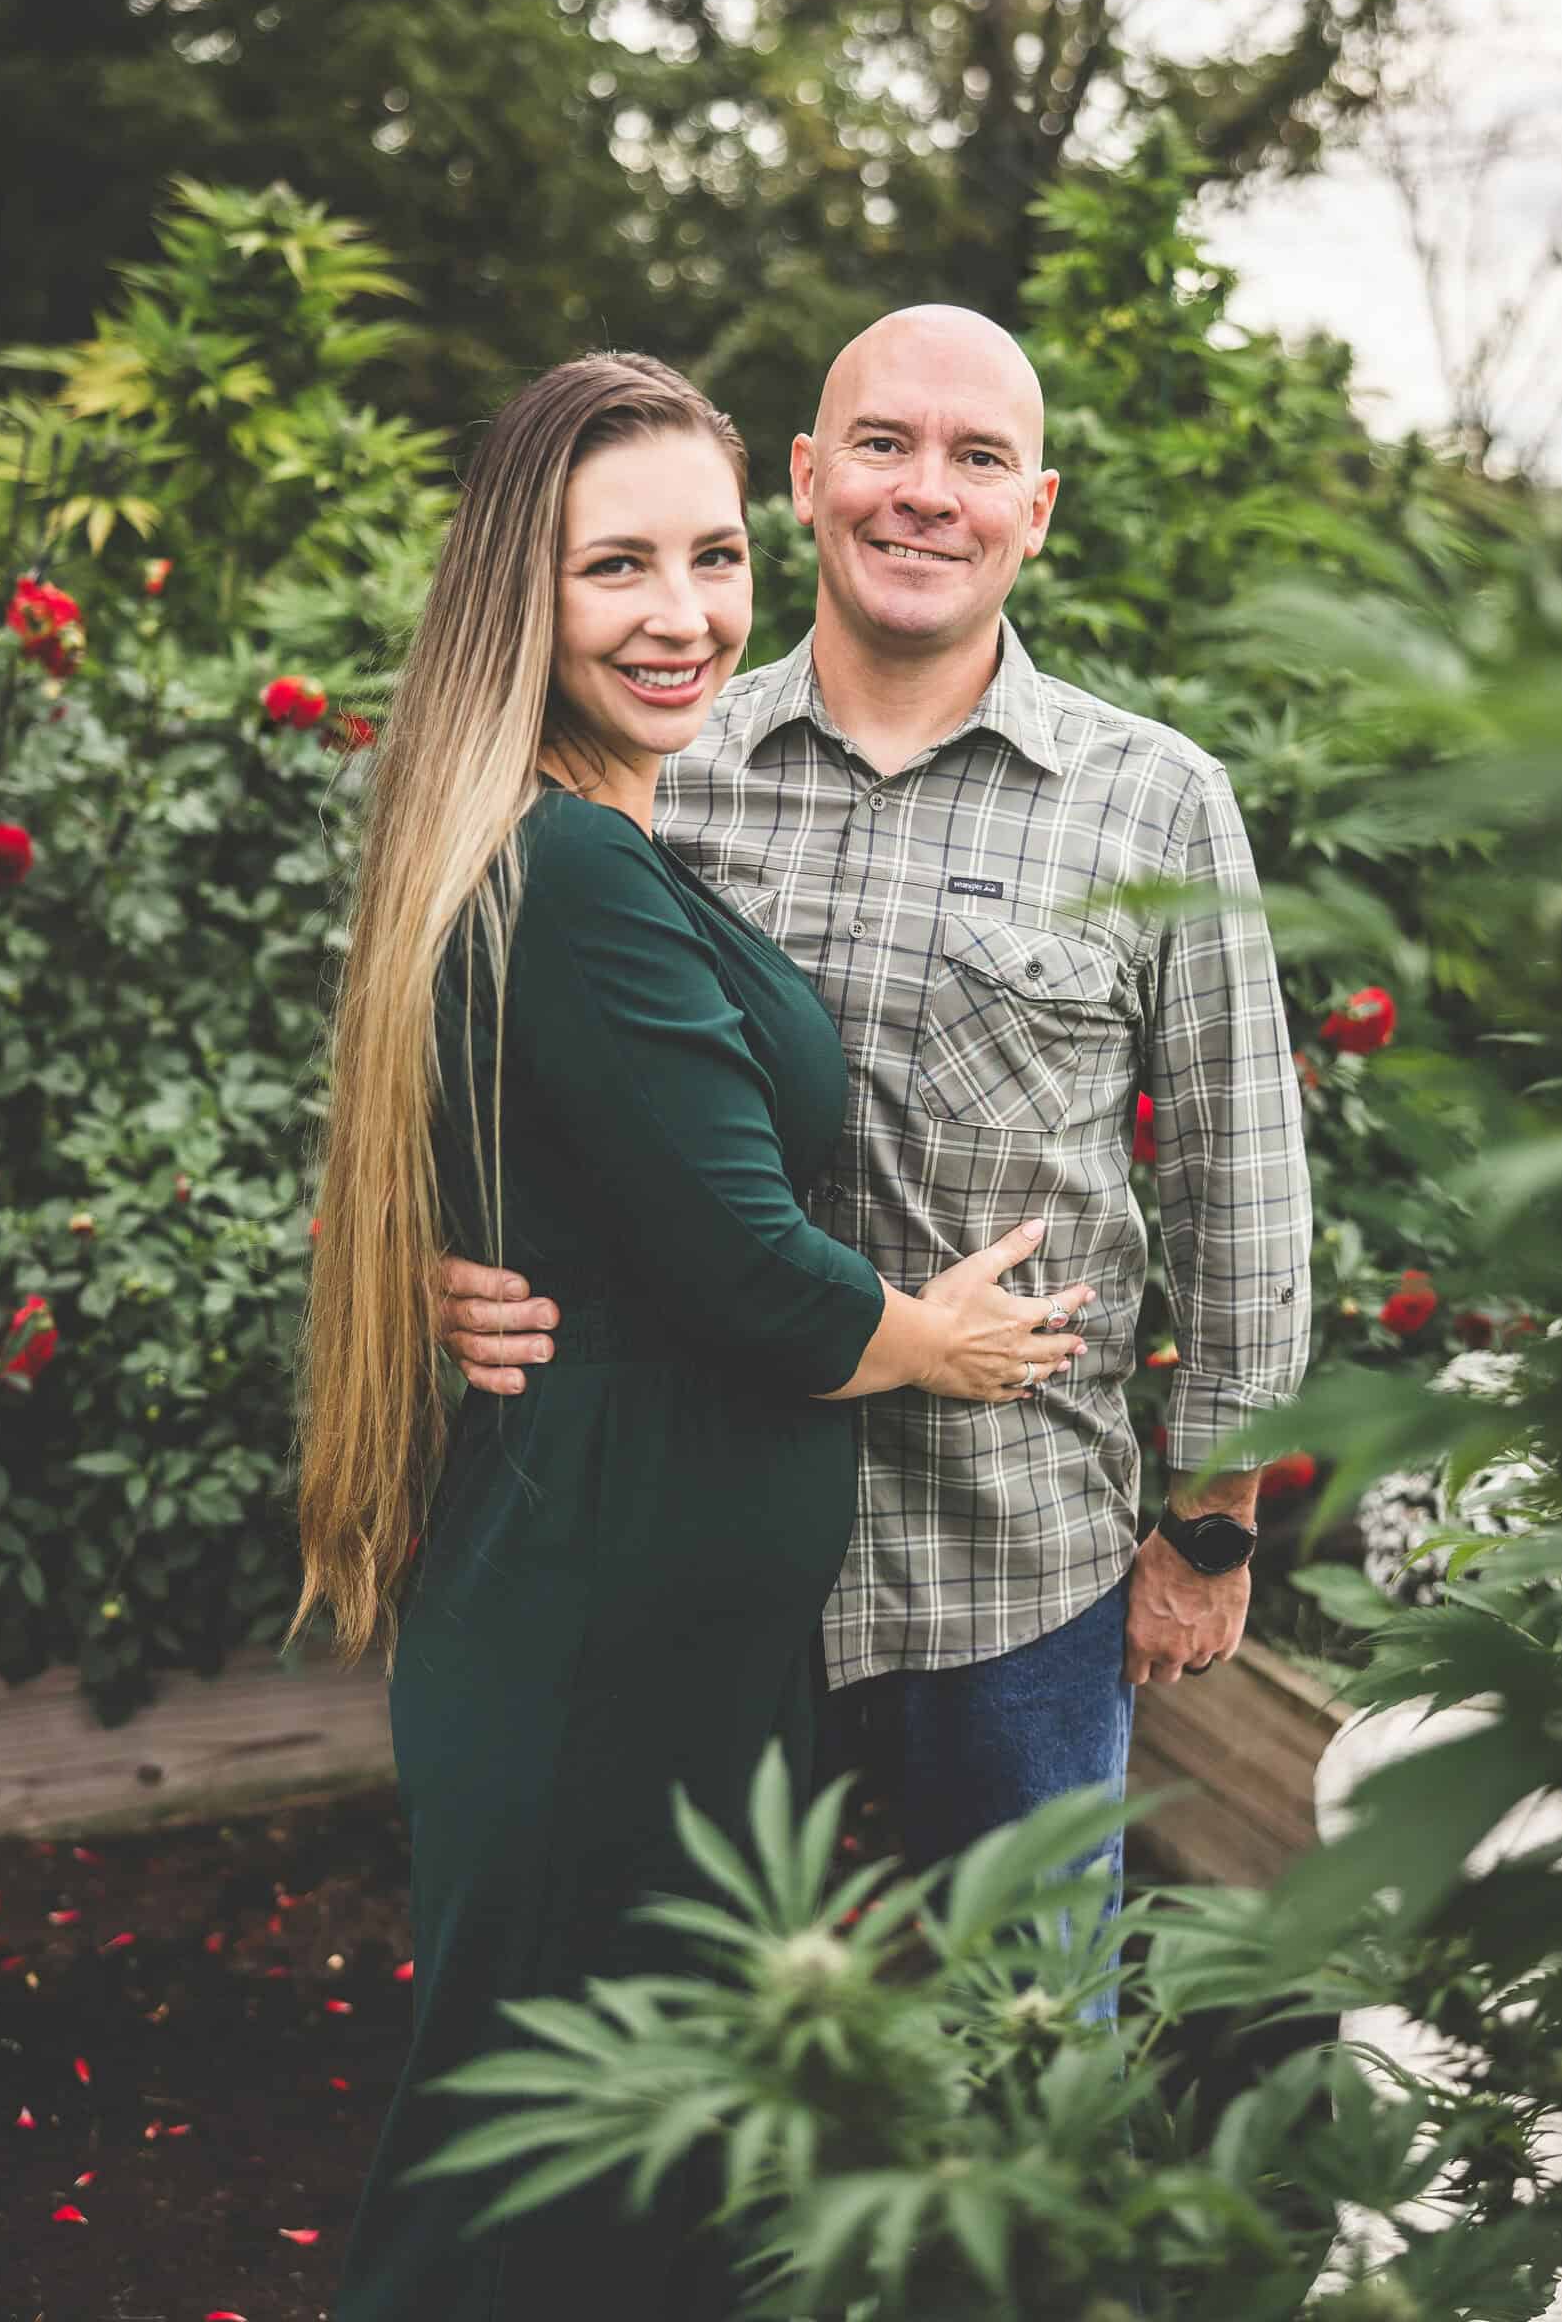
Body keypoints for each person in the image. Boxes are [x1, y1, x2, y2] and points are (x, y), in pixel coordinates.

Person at [290, 352, 1091, 2321]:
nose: (681, 614)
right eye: (612, 567)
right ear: (521, 598)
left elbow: (563, 1174)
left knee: (619, 2179)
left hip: (646, 1623)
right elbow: (745, 1266)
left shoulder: (585, 837)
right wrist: (937, 1338)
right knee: (527, 2186)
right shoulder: (573, 866)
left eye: (712, 556)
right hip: (606, 1649)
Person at [442, 305, 1314, 1911]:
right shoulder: (658, 759)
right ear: (804, 479)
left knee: (1022, 2063)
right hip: (693, 1558)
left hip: (1006, 1578)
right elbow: (507, 1076)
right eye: (883, 445)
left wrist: (1209, 1527)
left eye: (979, 458)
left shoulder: (1154, 801)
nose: (927, 491)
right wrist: (450, 1266)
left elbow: (1238, 1182)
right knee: (705, 2067)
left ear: (1034, 510)